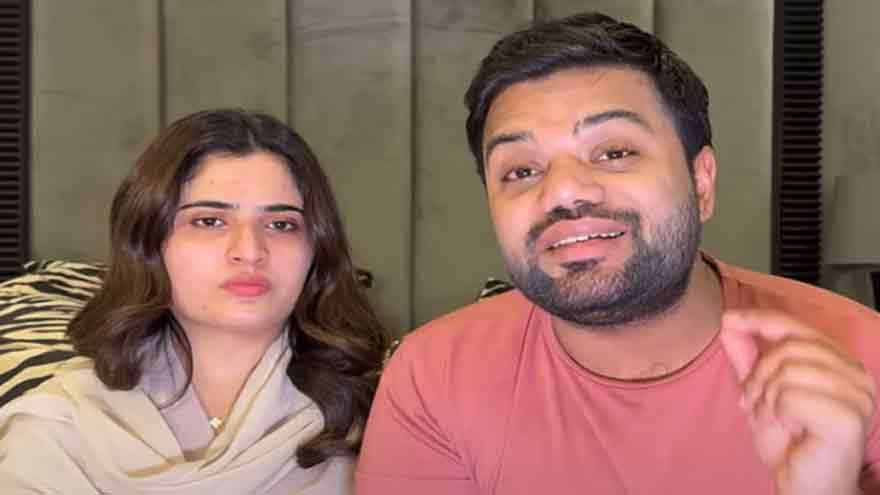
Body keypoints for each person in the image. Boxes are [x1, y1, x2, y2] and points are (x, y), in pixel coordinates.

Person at [356, 11, 880, 495]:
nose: (563, 192)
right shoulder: (433, 376)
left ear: (701, 183)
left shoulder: (861, 353)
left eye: (614, 152)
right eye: (521, 170)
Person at [0, 109, 389, 493]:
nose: (249, 251)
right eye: (209, 221)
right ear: (147, 241)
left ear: (317, 249)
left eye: (280, 224)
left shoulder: (387, 411)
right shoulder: (58, 428)